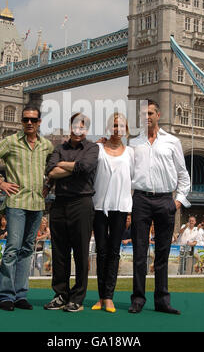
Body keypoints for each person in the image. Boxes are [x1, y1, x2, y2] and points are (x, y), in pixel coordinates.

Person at [0, 104, 54, 311]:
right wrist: (0, 183)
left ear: (39, 122)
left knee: (27, 249)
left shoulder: (47, 145)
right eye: (25, 120)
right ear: (21, 122)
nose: (29, 123)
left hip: (37, 203)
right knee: (13, 248)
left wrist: (49, 184)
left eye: (33, 120)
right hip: (16, 203)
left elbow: (55, 166)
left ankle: (21, 295)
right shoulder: (10, 142)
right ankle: (5, 295)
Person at [128, 99, 191, 315]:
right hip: (141, 200)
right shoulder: (134, 143)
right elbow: (127, 176)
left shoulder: (172, 141)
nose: (147, 117)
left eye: (151, 113)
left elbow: (183, 174)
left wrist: (178, 201)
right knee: (139, 251)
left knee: (163, 252)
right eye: (143, 114)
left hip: (165, 200)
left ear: (159, 115)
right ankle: (138, 299)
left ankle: (162, 301)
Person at [44, 113, 99, 313]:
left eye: (82, 127)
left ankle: (77, 298)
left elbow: (85, 167)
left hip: (81, 203)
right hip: (59, 204)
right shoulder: (59, 148)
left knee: (81, 253)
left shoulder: (93, 148)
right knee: (59, 252)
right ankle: (60, 295)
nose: (78, 130)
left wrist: (64, 166)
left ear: (86, 130)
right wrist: (75, 168)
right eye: (75, 126)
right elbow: (50, 171)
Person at [91, 113, 134, 313]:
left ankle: (109, 297)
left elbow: (134, 181)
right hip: (99, 207)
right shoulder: (97, 149)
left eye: (121, 126)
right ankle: (100, 296)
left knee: (114, 252)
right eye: (114, 125)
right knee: (101, 251)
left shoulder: (131, 153)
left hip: (121, 207)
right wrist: (94, 142)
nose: (117, 129)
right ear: (109, 128)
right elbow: (84, 161)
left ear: (126, 129)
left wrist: (130, 211)